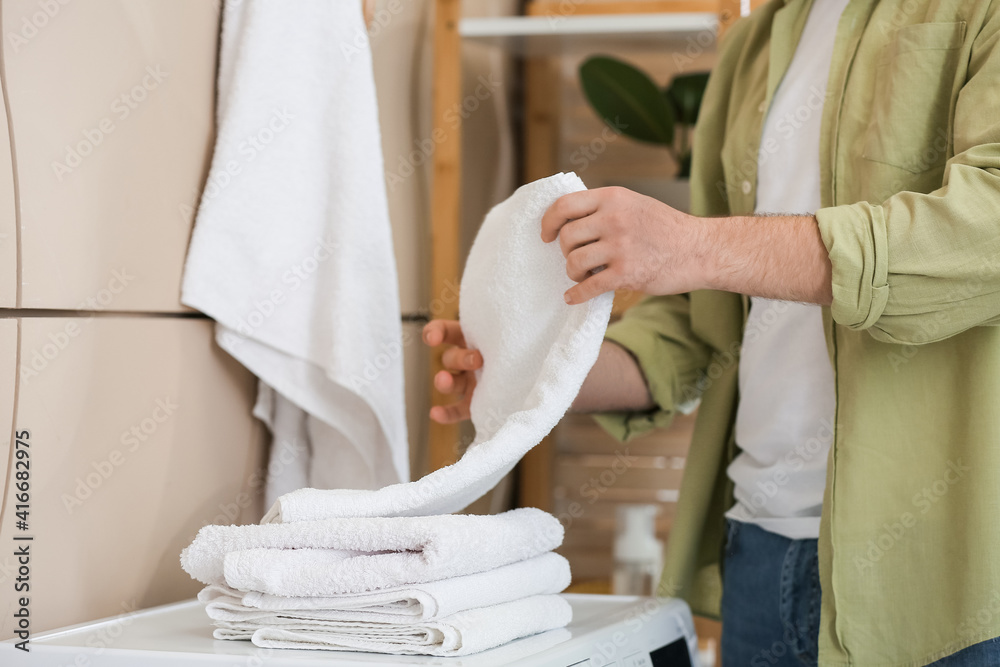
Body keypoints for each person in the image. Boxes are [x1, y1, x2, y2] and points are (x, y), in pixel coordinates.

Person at [424, 1, 1000, 665]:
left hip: (950, 581)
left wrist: (695, 245)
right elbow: (708, 316)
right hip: (760, 555)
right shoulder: (756, 44)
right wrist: (531, 374)